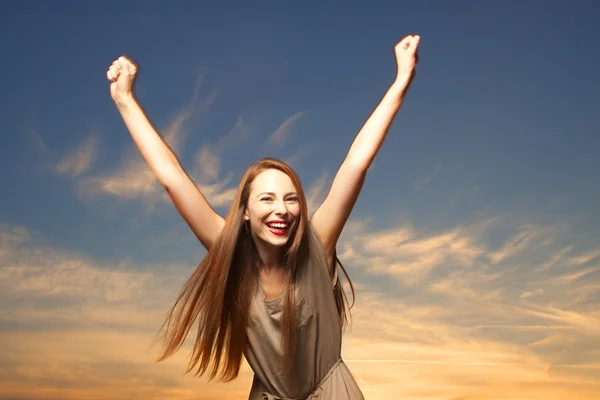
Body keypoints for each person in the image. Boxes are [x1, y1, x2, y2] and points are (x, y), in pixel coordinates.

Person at [106, 34, 420, 400]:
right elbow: (172, 177)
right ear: (244, 211)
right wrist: (125, 100)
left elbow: (356, 162)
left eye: (291, 199)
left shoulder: (319, 245)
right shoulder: (231, 257)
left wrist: (401, 80)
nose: (281, 210)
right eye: (267, 198)